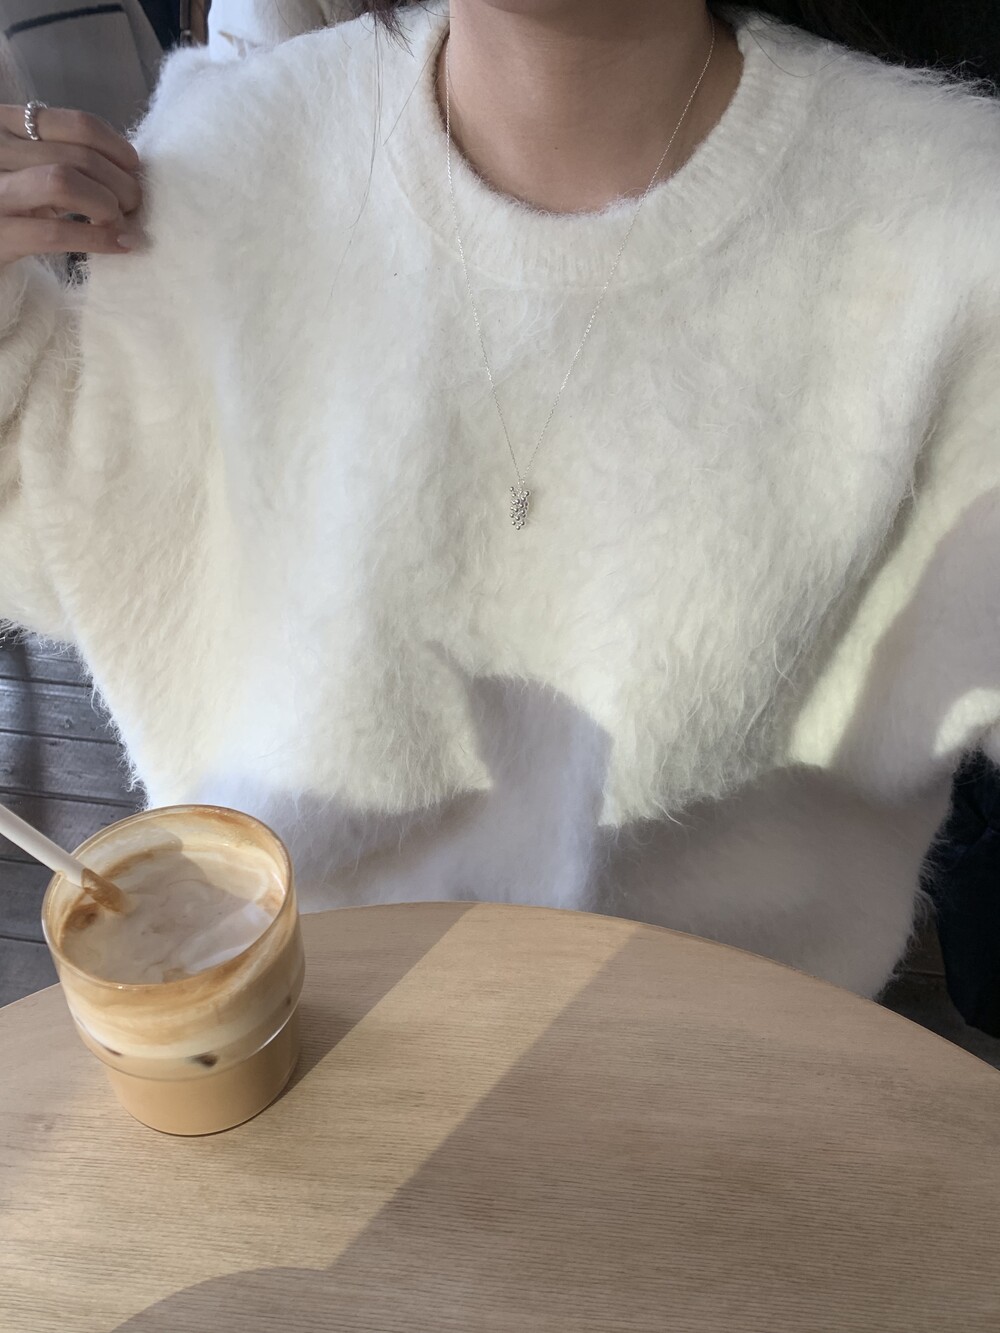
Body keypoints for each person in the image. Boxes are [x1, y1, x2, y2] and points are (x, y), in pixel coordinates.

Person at [0, 0, 997, 999]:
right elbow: (77, 554)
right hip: (279, 1030)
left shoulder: (950, 226)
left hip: (725, 1067)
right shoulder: (234, 148)